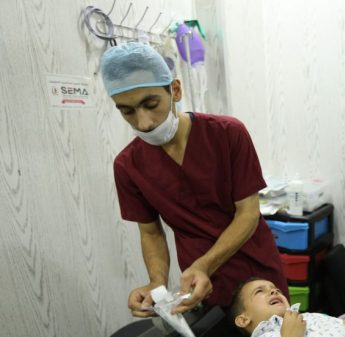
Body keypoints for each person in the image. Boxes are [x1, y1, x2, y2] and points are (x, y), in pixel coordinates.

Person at [99, 42, 288, 316]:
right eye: (127, 111)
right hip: (199, 284)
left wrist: (205, 264)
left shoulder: (227, 134)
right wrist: (157, 283)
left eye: (151, 104)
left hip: (255, 271)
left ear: (175, 90)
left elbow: (247, 214)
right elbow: (150, 232)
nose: (144, 123)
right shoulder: (128, 166)